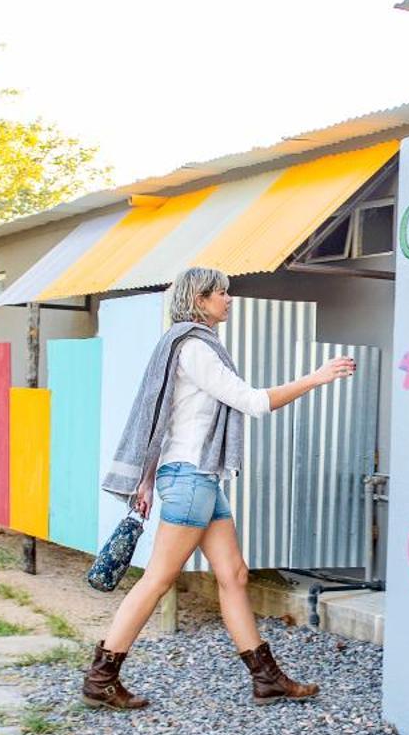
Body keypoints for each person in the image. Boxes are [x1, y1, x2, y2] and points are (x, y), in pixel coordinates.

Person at [81, 265, 356, 710]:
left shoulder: (190, 346)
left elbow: (167, 420)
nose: (228, 299)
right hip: (191, 478)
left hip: (197, 477)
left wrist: (150, 479)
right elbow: (251, 401)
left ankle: (266, 679)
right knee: (158, 578)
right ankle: (101, 677)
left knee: (233, 575)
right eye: (221, 293)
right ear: (200, 299)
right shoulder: (196, 349)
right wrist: (316, 377)